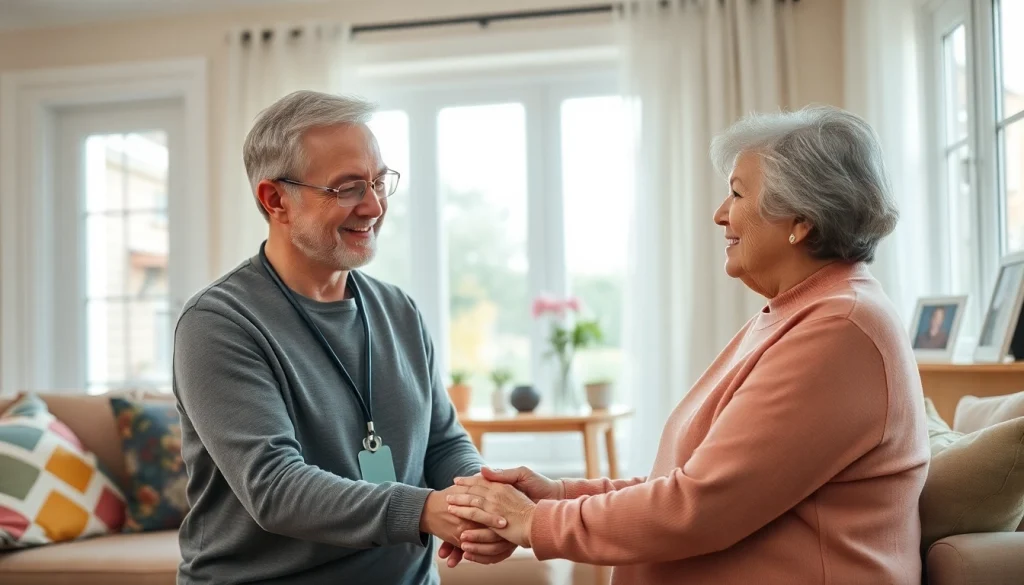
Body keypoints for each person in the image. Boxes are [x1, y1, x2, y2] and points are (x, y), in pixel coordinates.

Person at [443, 106, 930, 584]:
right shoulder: (801, 313)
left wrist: (532, 522)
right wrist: (556, 496)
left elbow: (699, 507)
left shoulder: (839, 329)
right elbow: (687, 483)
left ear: (800, 220)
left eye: (737, 194)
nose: (721, 214)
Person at [171, 90, 514, 585]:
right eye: (349, 187)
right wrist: (425, 511)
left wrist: (481, 499)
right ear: (275, 200)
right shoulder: (217, 323)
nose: (374, 206)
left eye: (379, 182)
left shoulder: (399, 309)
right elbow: (275, 487)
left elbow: (441, 441)